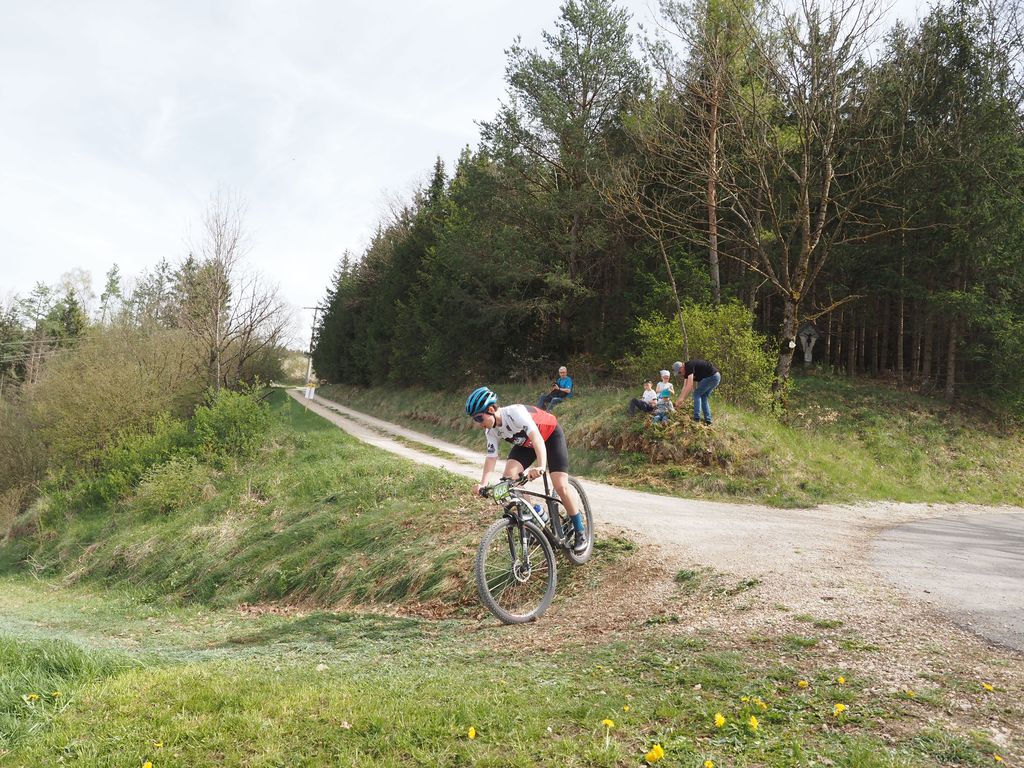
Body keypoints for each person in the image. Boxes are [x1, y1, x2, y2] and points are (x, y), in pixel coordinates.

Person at [466, 386, 587, 554]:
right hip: (526, 444)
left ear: (491, 410)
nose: (479, 423)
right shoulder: (491, 430)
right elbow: (491, 457)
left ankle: (580, 531)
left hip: (549, 435)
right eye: (475, 419)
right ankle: (536, 517)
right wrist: (483, 484)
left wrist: (541, 466)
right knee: (509, 480)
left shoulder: (515, 413)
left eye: (479, 418)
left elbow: (537, 439)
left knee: (560, 485)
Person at [673, 359, 722, 426]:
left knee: (696, 394)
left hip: (712, 376)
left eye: (679, 372)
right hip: (716, 377)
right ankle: (708, 420)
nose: (680, 374)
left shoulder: (689, 366)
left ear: (682, 367)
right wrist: (679, 400)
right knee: (703, 396)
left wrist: (682, 399)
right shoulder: (686, 372)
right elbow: (685, 387)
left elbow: (690, 385)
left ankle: (696, 418)